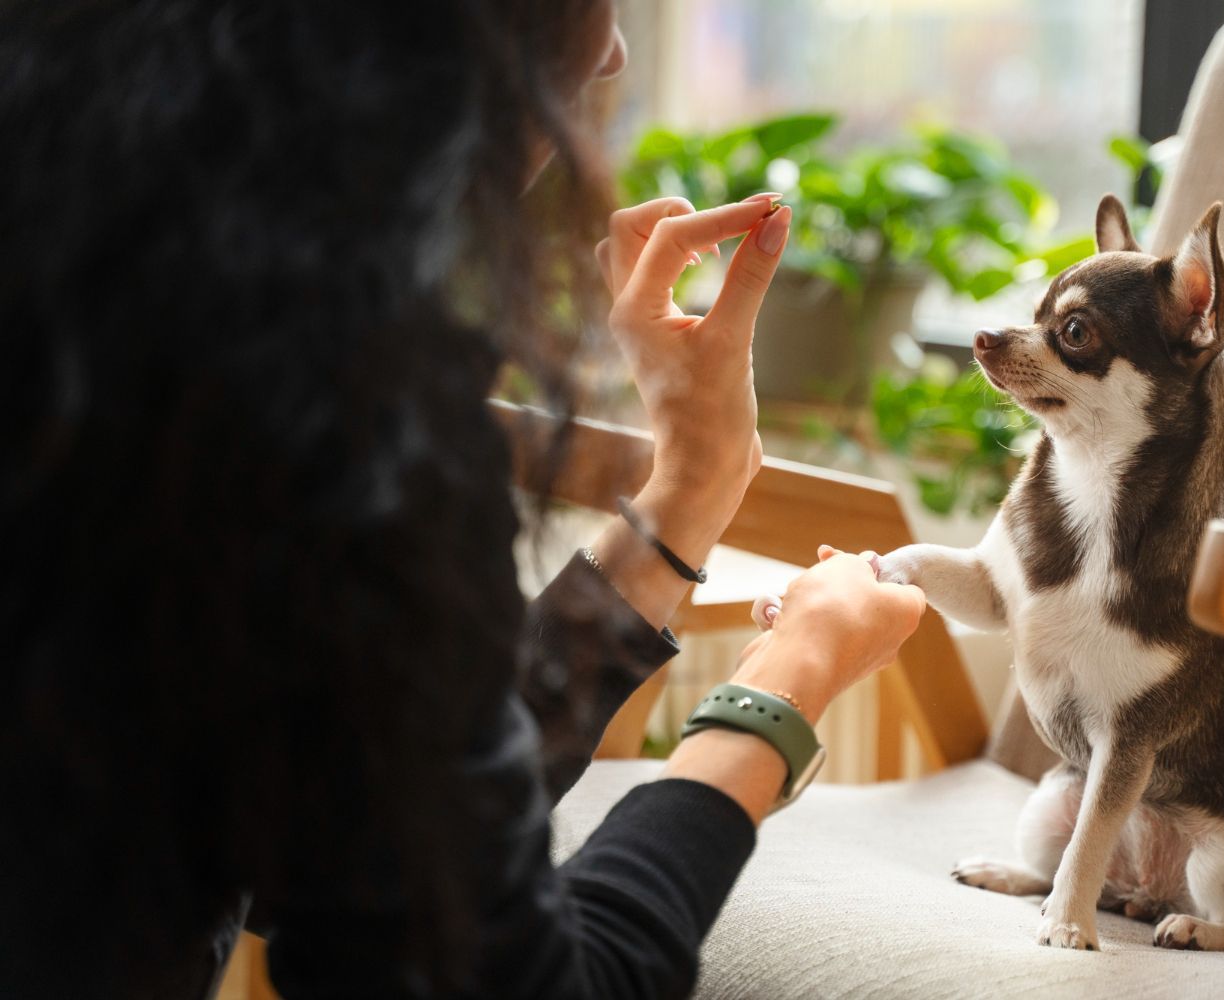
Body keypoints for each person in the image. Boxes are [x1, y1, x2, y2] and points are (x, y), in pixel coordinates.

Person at [0, 2, 927, 998]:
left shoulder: (115, 291)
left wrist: (689, 493)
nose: (611, 48)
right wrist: (787, 682)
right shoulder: (318, 398)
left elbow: (384, 831)